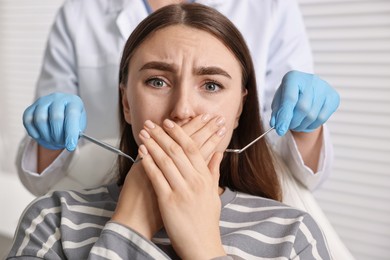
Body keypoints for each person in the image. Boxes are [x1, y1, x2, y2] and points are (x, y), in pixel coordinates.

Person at [8, 4, 331, 259]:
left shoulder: (291, 235)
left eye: (212, 84)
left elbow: (296, 154)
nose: (182, 109)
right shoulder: (53, 221)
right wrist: (130, 223)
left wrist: (203, 247)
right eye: (157, 81)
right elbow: (45, 165)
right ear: (126, 103)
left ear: (239, 111)